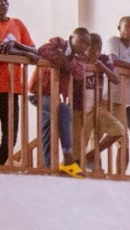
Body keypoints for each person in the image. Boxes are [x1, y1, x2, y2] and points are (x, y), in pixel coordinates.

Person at [0, 0, 38, 166]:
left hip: (13, 87)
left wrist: (15, 44)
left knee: (11, 134)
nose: (3, 4)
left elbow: (35, 50)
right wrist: (21, 52)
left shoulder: (18, 24)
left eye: (6, 1)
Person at [30, 28, 90, 176]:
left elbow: (78, 73)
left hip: (56, 96)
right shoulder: (58, 42)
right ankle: (59, 162)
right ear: (71, 38)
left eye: (87, 44)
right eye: (81, 41)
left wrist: (62, 60)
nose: (84, 46)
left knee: (57, 119)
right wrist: (66, 61)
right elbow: (43, 50)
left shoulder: (81, 57)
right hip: (40, 91)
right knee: (57, 116)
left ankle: (58, 162)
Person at [78, 34, 125, 171]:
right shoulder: (79, 59)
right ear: (85, 48)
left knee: (118, 129)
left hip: (96, 107)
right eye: (91, 50)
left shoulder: (103, 59)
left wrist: (102, 67)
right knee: (79, 144)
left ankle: (89, 157)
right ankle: (78, 164)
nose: (95, 53)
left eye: (98, 50)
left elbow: (116, 79)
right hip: (80, 109)